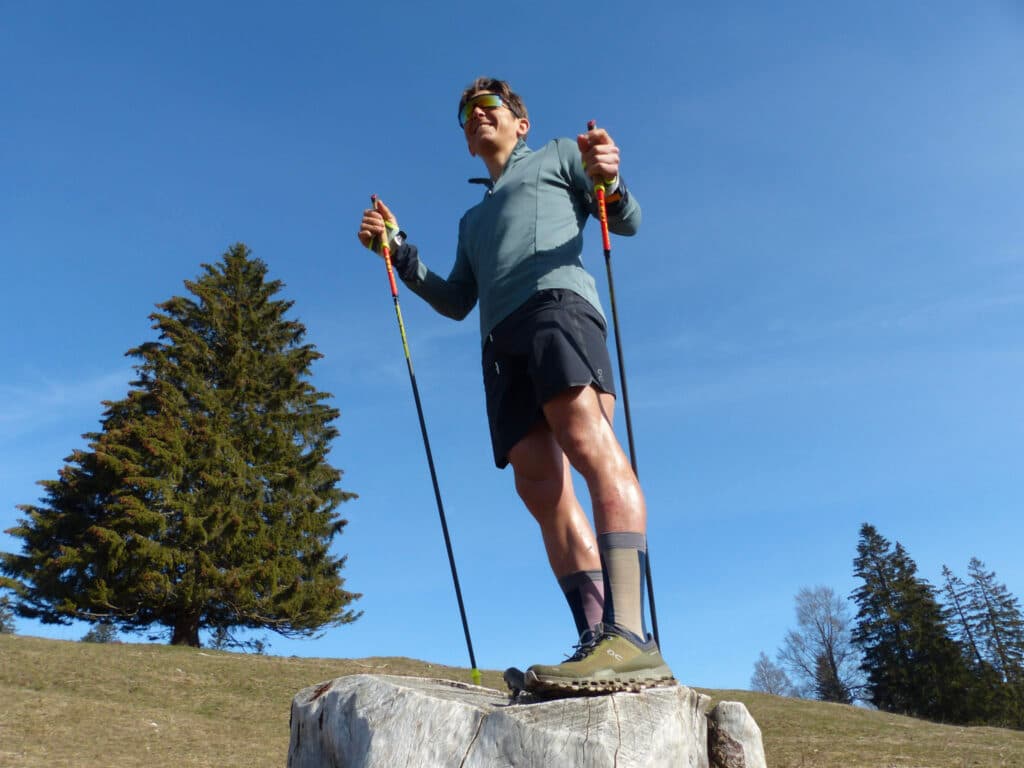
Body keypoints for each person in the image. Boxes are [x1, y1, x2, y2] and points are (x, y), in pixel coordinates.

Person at [357, 77, 673, 695]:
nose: (477, 117)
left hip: (557, 307)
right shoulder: (472, 220)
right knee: (541, 489)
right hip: (498, 343)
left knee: (588, 445)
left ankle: (630, 638)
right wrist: (398, 252)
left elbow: (626, 219)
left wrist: (609, 177)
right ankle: (596, 639)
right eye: (466, 115)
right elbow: (455, 300)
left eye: (488, 107)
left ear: (519, 123)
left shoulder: (559, 155)